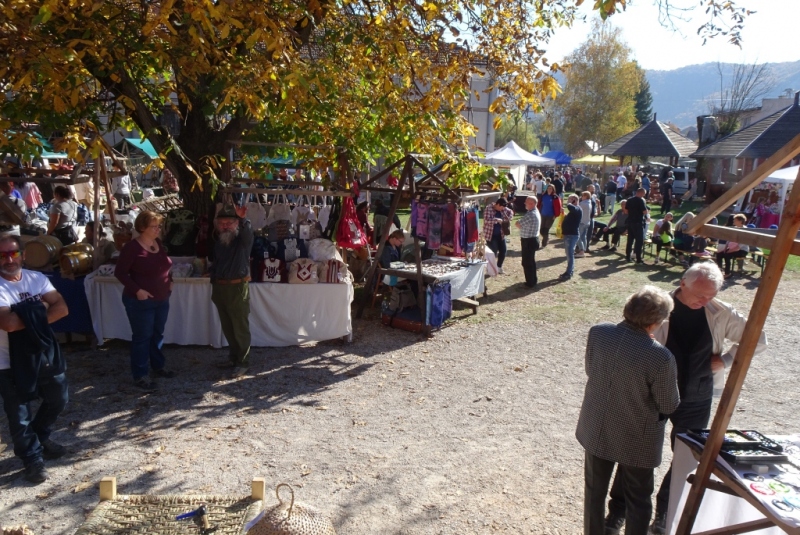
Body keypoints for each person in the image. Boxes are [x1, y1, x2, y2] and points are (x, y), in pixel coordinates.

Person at [606, 262, 768, 535]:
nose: (705, 301)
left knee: (685, 459)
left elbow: (758, 339)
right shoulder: (656, 306)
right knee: (635, 452)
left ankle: (665, 515)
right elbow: (630, 340)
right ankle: (618, 512)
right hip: (651, 395)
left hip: (696, 395)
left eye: (711, 295)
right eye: (699, 295)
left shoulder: (720, 311)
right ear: (683, 283)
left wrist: (726, 360)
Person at [577, 285, 679, 535]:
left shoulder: (599, 332)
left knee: (594, 492)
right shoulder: (660, 356)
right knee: (639, 498)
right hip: (637, 436)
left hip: (597, 426)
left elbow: (592, 370)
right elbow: (669, 404)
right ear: (656, 321)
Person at [0, 235, 70, 484]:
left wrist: (25, 316)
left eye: (14, 253)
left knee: (58, 399)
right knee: (19, 415)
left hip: (42, 355)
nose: (9, 259)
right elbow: (7, 323)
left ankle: (40, 436)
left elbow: (62, 308)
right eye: (3, 255)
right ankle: (32, 459)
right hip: (7, 362)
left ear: (23, 254)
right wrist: (40, 309)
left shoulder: (36, 278)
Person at [114, 211, 175, 391]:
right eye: (153, 226)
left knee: (157, 334)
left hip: (161, 298)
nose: (158, 229)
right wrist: (137, 290)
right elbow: (120, 273)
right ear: (142, 228)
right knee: (142, 337)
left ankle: (158, 366)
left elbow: (165, 265)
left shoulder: (158, 243)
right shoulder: (132, 248)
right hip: (140, 301)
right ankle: (140, 374)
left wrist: (170, 281)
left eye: (158, 226)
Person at [210, 204, 254, 378]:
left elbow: (248, 233)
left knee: (239, 326)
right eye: (222, 222)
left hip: (237, 287)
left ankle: (243, 362)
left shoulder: (242, 241)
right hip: (220, 287)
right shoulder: (220, 241)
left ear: (237, 223)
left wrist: (243, 219)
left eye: (230, 222)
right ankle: (233, 357)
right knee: (228, 326)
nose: (226, 225)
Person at [482, 198, 514, 275]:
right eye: (502, 207)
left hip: (501, 234)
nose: (503, 209)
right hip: (491, 235)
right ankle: (490, 270)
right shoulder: (488, 208)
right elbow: (486, 220)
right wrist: (497, 220)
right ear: (497, 204)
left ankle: (499, 267)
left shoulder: (504, 208)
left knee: (503, 251)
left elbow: (511, 213)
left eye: (504, 207)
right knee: (493, 253)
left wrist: (506, 220)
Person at [516, 196, 541, 288]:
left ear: (532, 203)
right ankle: (532, 280)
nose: (524, 203)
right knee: (530, 261)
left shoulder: (531, 214)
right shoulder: (533, 212)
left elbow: (518, 224)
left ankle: (530, 282)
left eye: (526, 202)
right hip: (531, 240)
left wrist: (519, 222)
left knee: (527, 262)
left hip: (529, 241)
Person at [715, 214, 749, 278]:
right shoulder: (735, 228)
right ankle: (719, 270)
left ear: (740, 221)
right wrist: (726, 248)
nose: (733, 221)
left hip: (742, 250)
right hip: (733, 248)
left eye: (735, 220)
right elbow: (729, 239)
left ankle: (727, 273)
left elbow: (741, 244)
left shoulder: (745, 230)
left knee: (727, 255)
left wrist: (731, 250)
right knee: (719, 254)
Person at [559, 194, 581, 281]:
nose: (568, 202)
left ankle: (569, 272)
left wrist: (569, 203)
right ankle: (569, 271)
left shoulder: (578, 209)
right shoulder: (573, 211)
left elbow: (572, 208)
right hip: (568, 235)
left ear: (574, 200)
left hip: (572, 235)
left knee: (570, 255)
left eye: (570, 200)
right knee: (569, 254)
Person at [625, 188, 648, 264]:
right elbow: (644, 211)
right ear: (641, 193)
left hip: (630, 221)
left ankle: (628, 256)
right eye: (644, 194)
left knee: (630, 240)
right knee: (639, 241)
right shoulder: (640, 200)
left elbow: (626, 210)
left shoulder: (629, 200)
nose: (644, 195)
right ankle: (638, 258)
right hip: (638, 222)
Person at [577, 191, 592, 257]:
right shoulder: (590, 203)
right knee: (583, 237)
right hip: (587, 222)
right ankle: (584, 249)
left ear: (586, 196)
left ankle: (581, 251)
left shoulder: (583, 203)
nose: (581, 197)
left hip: (582, 222)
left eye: (582, 196)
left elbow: (576, 209)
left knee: (578, 237)